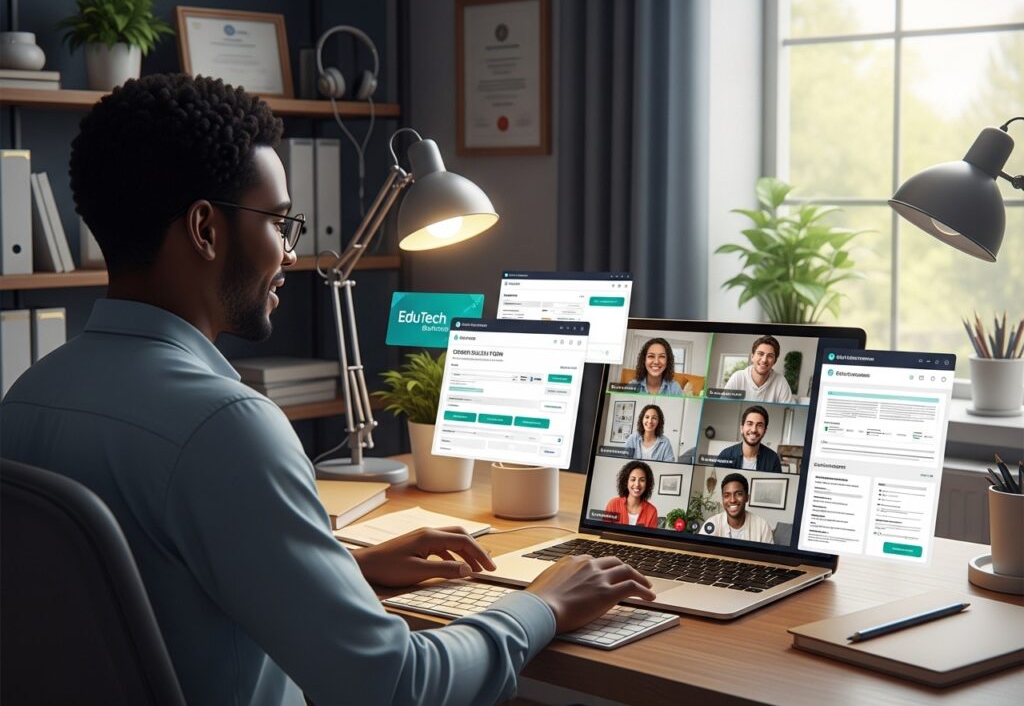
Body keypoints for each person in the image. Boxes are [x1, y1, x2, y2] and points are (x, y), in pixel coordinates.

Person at [0, 74, 657, 706]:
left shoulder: (26, 399)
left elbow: (150, 592)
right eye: (278, 222)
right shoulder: (225, 426)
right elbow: (395, 687)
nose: (289, 252)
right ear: (205, 230)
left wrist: (347, 570)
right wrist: (540, 603)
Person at [701, 473, 774, 543]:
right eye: (727, 495)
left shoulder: (762, 526)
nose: (732, 500)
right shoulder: (712, 524)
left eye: (738, 494)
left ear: (747, 498)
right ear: (722, 499)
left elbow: (769, 555)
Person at [723, 335, 795, 403]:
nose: (764, 360)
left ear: (775, 361)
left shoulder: (781, 382)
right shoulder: (737, 377)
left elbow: (791, 407)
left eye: (770, 356)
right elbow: (723, 405)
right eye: (760, 354)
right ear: (752, 356)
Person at [716, 406, 783, 472]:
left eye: (759, 425)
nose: (754, 430)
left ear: (765, 431)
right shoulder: (725, 455)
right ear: (742, 428)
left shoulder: (773, 459)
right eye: (749, 424)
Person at [604, 461, 659, 528]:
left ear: (647, 484)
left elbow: (650, 538)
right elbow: (605, 531)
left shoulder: (652, 511)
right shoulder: (613, 504)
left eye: (642, 480)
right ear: (626, 482)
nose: (637, 484)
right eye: (633, 479)